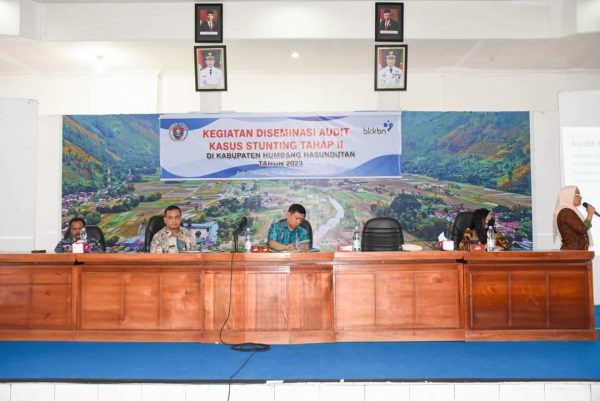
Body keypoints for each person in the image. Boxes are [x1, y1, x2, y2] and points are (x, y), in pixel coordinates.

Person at [554, 186, 595, 250]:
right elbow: (582, 228)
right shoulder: (565, 211)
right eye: (578, 195)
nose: (581, 197)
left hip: (576, 252)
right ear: (568, 196)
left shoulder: (569, 210)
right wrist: (590, 214)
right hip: (572, 253)